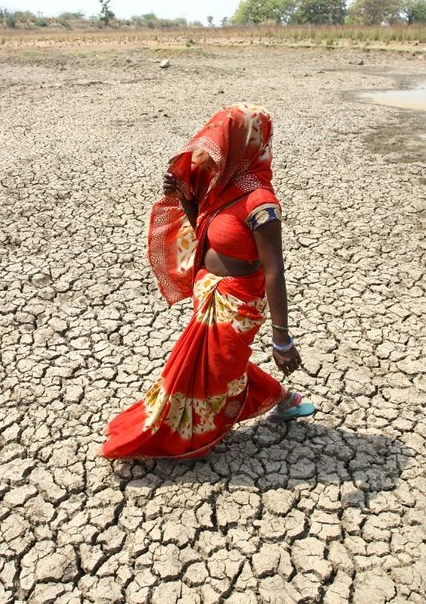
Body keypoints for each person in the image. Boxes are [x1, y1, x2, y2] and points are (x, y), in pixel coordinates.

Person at [101, 103, 314, 460]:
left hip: (237, 301)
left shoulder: (261, 202)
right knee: (218, 362)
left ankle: (178, 434)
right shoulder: (221, 187)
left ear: (244, 145)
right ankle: (284, 399)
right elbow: (203, 232)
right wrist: (187, 199)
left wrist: (281, 338)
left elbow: (274, 271)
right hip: (209, 292)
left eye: (224, 141)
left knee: (212, 368)